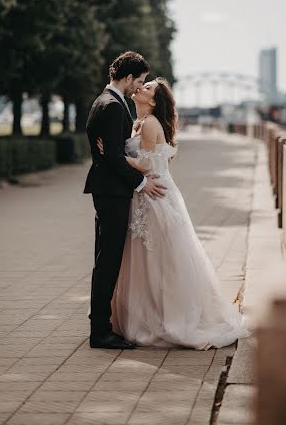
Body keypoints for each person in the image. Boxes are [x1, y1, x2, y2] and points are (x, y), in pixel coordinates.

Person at [101, 77, 249, 349]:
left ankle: (157, 319)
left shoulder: (149, 124)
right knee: (157, 258)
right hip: (155, 192)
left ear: (154, 101)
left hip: (152, 194)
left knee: (154, 259)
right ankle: (155, 314)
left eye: (147, 88)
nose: (140, 88)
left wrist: (115, 156)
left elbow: (145, 164)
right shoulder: (142, 123)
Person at [84, 51, 167, 350]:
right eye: (140, 81)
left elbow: (112, 154)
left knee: (104, 259)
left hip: (107, 191)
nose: (139, 87)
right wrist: (143, 183)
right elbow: (115, 159)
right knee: (108, 261)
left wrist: (115, 157)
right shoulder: (114, 107)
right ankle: (100, 332)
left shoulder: (103, 102)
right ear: (129, 77)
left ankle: (100, 325)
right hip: (112, 192)